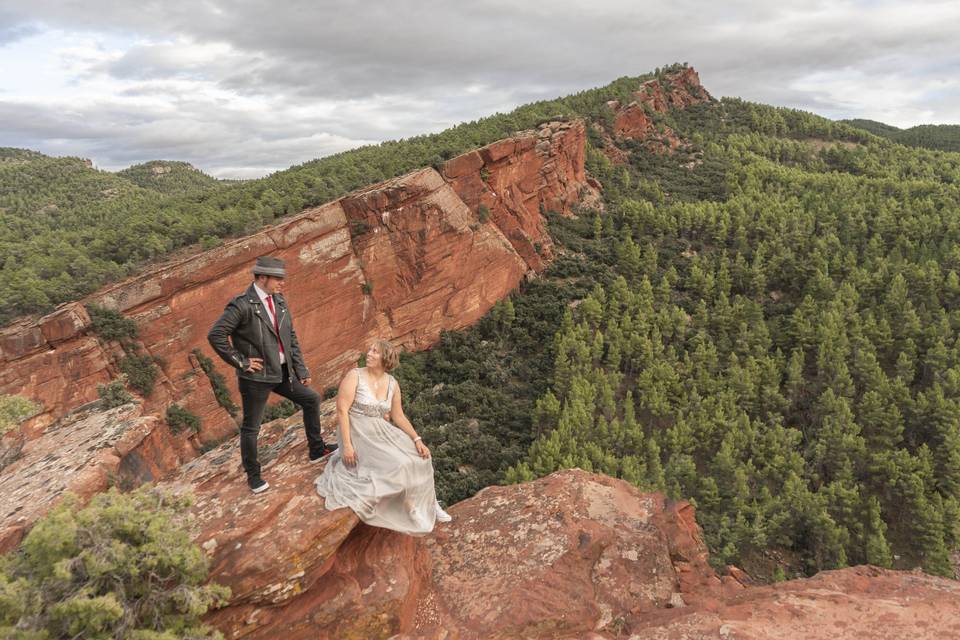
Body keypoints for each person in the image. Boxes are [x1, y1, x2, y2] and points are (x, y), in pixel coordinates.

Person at [208, 256, 336, 494]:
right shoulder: (242, 305)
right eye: (277, 279)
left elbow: (291, 337)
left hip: (281, 373)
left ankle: (316, 450)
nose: (282, 283)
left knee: (311, 399)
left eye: (282, 279)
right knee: (251, 428)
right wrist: (241, 362)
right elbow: (215, 335)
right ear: (261, 278)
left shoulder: (279, 300)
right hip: (255, 379)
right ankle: (254, 476)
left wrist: (301, 369)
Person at [315, 339, 451, 533]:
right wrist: (347, 445)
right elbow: (342, 410)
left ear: (385, 359)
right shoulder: (355, 376)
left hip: (381, 429)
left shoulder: (392, 383)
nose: (369, 354)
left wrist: (417, 439)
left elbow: (398, 416)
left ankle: (429, 504)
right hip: (358, 431)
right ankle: (410, 507)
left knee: (421, 457)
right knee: (400, 464)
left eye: (375, 352)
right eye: (370, 350)